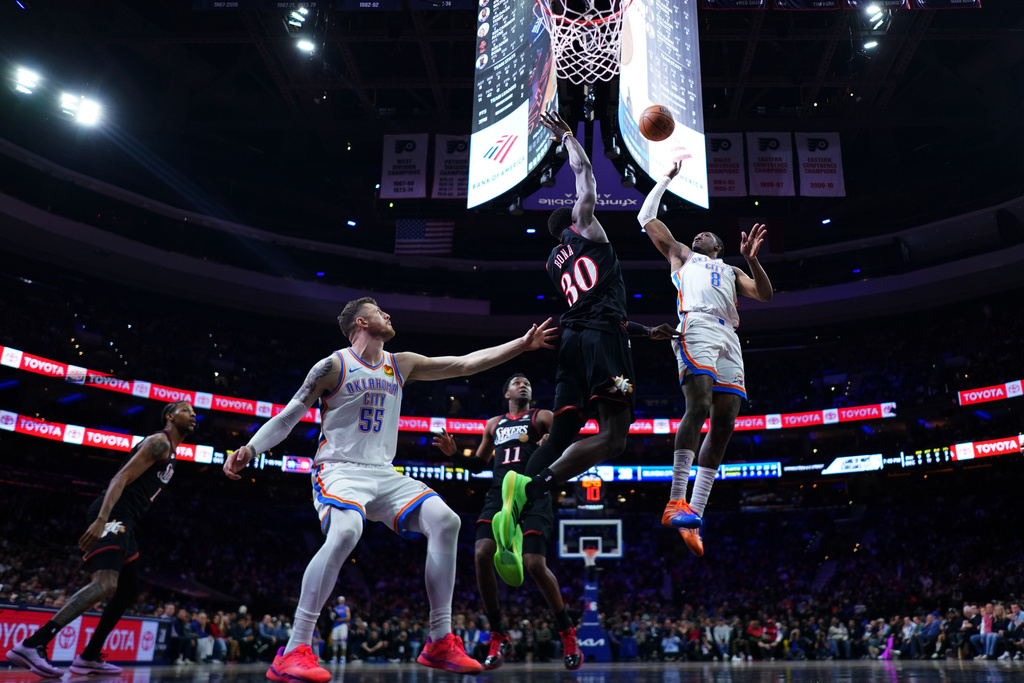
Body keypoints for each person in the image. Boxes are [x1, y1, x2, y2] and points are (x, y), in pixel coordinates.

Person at [222, 297, 556, 681]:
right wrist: (251, 447)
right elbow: (289, 416)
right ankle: (295, 648)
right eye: (381, 311)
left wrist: (520, 345)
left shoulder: (400, 363)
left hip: (384, 474)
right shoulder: (333, 365)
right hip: (340, 470)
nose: (389, 315)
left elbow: (465, 362)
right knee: (347, 531)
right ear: (362, 322)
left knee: (446, 521)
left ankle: (440, 640)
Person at [493, 109, 672, 577]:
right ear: (574, 222)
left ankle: (518, 495)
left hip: (571, 343)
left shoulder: (553, 263)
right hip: (599, 342)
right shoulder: (588, 230)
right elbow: (586, 177)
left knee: (564, 431)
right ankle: (537, 488)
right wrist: (571, 139)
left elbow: (594, 307)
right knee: (614, 439)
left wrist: (643, 332)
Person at [636, 160, 773, 557]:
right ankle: (674, 500)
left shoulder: (730, 269)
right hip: (695, 326)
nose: (700, 233)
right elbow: (646, 216)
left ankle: (694, 514)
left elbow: (764, 294)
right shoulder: (681, 255)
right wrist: (666, 179)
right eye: (698, 232)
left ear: (719, 247)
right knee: (697, 406)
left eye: (707, 233)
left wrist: (752, 260)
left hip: (729, 336)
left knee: (726, 422)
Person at [6, 401, 196, 677]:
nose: (192, 415)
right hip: (114, 515)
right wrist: (101, 520)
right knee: (106, 583)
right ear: (169, 416)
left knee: (129, 589)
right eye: (186, 410)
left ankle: (90, 656)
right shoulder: (160, 443)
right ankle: (33, 644)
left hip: (127, 521)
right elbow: (120, 477)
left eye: (194, 412)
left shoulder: (172, 452)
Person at [432, 373, 582, 670]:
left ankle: (567, 631)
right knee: (481, 553)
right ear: (506, 394)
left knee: (534, 564)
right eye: (515, 382)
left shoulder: (542, 416)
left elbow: (570, 445)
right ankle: (498, 634)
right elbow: (478, 464)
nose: (523, 384)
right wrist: (454, 456)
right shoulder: (493, 424)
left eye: (527, 381)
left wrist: (554, 442)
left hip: (534, 492)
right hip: (498, 495)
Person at [329, 596, 350, 663]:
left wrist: (341, 619)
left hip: (343, 625)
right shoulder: (335, 608)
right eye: (340, 599)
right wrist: (332, 616)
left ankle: (343, 657)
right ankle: (334, 657)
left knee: (343, 641)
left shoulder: (346, 608)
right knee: (334, 641)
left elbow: (348, 617)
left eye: (342, 599)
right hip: (336, 625)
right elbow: (332, 617)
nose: (341, 601)